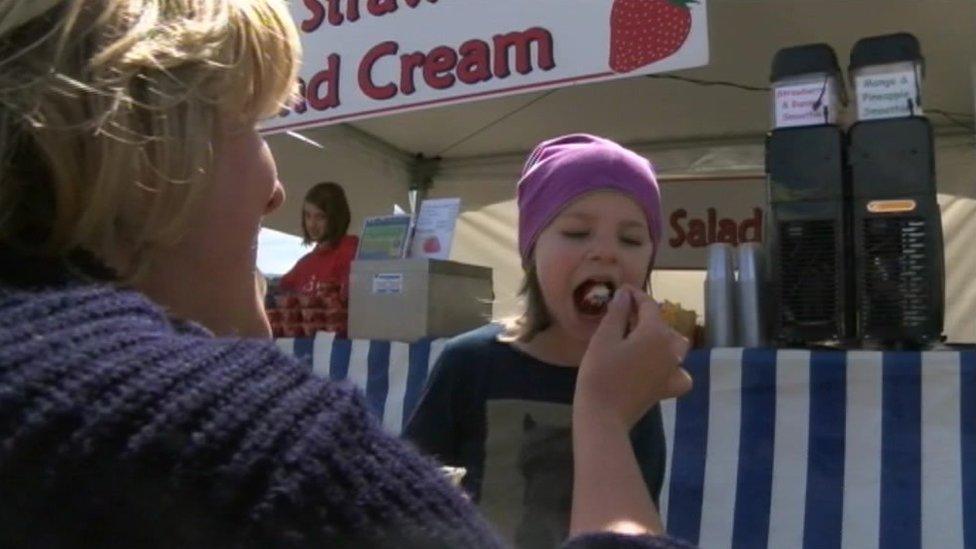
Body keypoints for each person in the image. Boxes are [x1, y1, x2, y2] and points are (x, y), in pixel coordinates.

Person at [0, 2, 693, 548]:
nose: (278, 194)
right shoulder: (251, 447)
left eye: (632, 237)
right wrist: (600, 418)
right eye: (259, 125)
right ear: (148, 153)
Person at [405, 134, 672, 548]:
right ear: (531, 250)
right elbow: (409, 493)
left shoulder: (634, 380)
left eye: (632, 240)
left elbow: (640, 513)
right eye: (578, 232)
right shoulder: (471, 362)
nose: (606, 252)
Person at [279, 182, 359, 296]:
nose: (312, 224)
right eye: (308, 216)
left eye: (320, 217)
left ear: (336, 217)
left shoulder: (352, 252)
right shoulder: (304, 264)